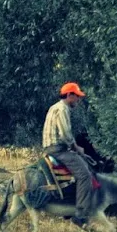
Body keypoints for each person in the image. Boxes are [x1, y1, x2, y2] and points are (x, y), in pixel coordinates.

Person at [41, 82, 104, 216]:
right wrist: (76, 148)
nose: (78, 100)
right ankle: (82, 212)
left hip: (50, 147)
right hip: (58, 149)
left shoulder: (54, 107)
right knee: (85, 175)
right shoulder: (63, 109)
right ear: (69, 95)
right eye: (77, 97)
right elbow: (65, 134)